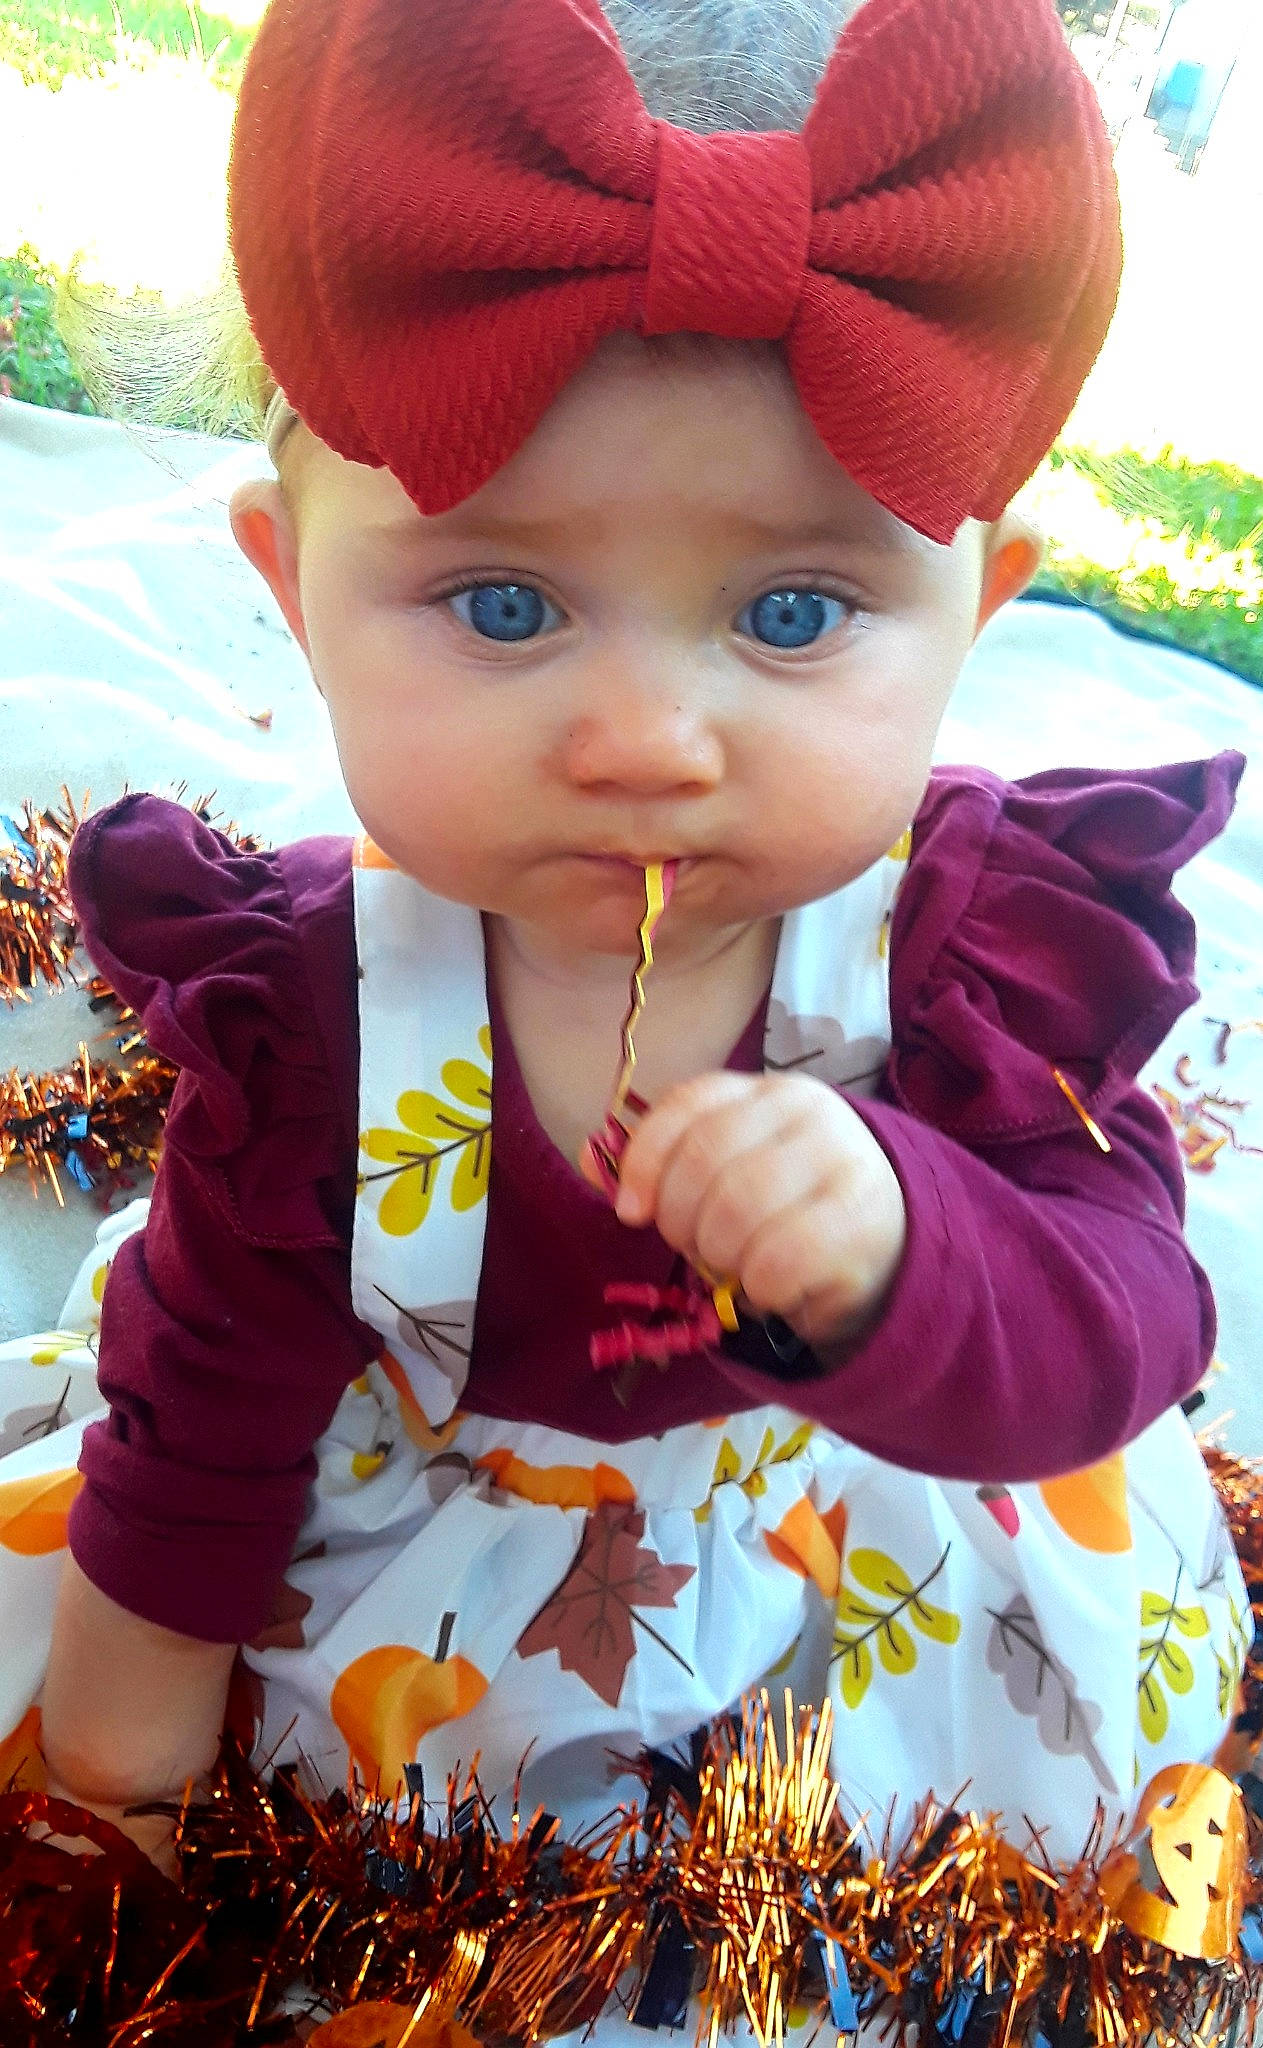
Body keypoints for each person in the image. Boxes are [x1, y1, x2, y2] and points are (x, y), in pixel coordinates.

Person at [0, 0, 1250, 2006]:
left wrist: (898, 1247)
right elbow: (195, 1448)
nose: (646, 738)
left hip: (868, 1551)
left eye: (790, 612)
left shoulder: (972, 946)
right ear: (290, 582)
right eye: (500, 605)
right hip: (419, 1556)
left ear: (980, 608)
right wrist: (110, 1822)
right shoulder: (303, 1019)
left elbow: (1122, 1323)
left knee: (912, 1920)